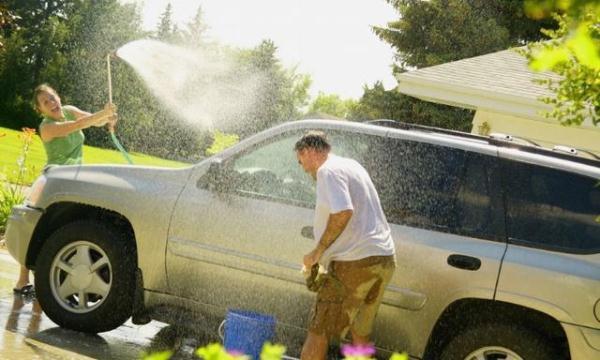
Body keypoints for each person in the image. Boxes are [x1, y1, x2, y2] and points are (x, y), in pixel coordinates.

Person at [295, 131, 396, 360]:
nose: (303, 169)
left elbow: (343, 211)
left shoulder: (327, 171)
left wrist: (318, 252)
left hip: (355, 263)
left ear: (308, 151)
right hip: (383, 259)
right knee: (360, 332)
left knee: (319, 329)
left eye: (301, 162)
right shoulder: (351, 165)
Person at [12, 84, 117, 295]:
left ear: (58, 97)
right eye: (45, 102)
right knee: (36, 228)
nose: (51, 103)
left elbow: (95, 121)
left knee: (58, 229)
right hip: (53, 180)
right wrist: (102, 115)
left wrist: (109, 117)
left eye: (52, 97)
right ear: (40, 110)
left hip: (74, 181)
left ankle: (42, 280)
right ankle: (22, 280)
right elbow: (79, 125)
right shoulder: (46, 127)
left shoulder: (69, 109)